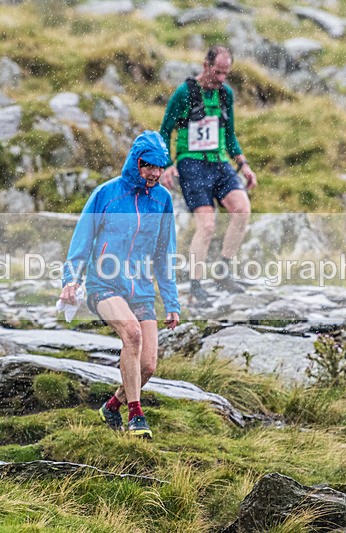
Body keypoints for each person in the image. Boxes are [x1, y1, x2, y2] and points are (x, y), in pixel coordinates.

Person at [59, 130, 180, 439]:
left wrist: (172, 302)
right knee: (132, 334)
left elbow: (164, 255)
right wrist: (70, 280)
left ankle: (111, 405)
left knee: (149, 365)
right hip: (104, 284)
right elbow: (81, 241)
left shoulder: (163, 201)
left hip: (140, 289)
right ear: (135, 162)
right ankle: (136, 416)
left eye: (159, 167)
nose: (154, 173)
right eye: (148, 166)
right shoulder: (106, 194)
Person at [159, 45, 257, 304]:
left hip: (219, 162)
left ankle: (223, 272)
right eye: (217, 72)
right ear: (206, 66)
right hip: (191, 164)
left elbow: (229, 133)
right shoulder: (184, 93)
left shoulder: (226, 95)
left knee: (242, 209)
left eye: (226, 73)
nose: (221, 78)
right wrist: (167, 164)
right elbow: (164, 131)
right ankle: (195, 285)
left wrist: (243, 163)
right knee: (207, 225)